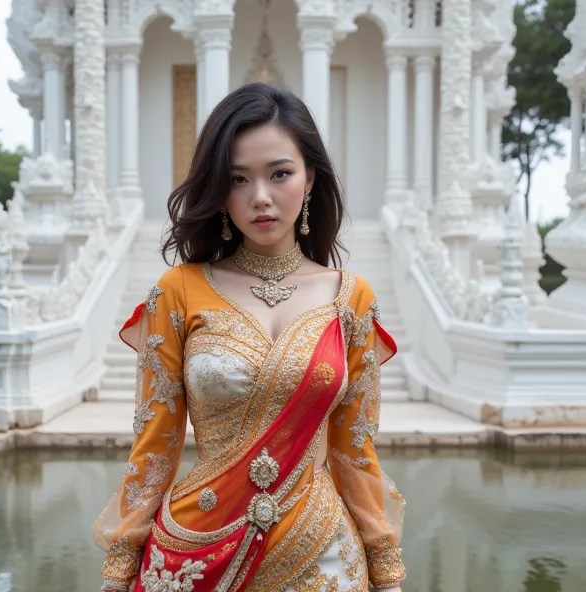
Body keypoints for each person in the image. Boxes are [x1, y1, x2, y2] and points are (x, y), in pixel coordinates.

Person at [92, 83, 406, 592]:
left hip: (323, 555)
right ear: (218, 190)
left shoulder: (351, 299)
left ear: (309, 180)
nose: (259, 197)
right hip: (197, 549)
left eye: (279, 173)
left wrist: (386, 571)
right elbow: (154, 448)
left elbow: (355, 450)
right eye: (237, 179)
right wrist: (121, 567)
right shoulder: (178, 292)